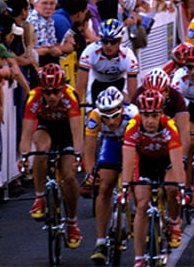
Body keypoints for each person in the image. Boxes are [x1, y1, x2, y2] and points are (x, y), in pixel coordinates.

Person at [19, 63, 84, 249]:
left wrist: (77, 155)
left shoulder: (70, 95)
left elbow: (76, 132)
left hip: (66, 133)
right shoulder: (34, 96)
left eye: (56, 91)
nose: (52, 96)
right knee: (41, 149)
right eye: (47, 92)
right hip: (45, 128)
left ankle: (72, 221)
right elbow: (26, 133)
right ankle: (39, 197)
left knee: (69, 176)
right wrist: (24, 156)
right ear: (42, 90)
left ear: (62, 87)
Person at [122, 89, 186, 262]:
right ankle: (139, 258)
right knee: (142, 205)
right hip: (145, 163)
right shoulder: (133, 126)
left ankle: (174, 222)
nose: (150, 121)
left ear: (161, 114)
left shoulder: (169, 126)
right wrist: (125, 186)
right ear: (140, 115)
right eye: (146, 116)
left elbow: (177, 161)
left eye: (155, 116)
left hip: (166, 161)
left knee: (172, 188)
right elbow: (128, 159)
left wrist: (181, 186)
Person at [84, 87, 138, 265]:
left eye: (114, 116)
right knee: (104, 187)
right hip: (112, 145)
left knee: (139, 187)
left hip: (134, 146)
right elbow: (89, 148)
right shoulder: (94, 116)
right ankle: (100, 242)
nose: (111, 121)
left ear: (122, 109)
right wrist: (90, 173)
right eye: (105, 117)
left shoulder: (133, 114)